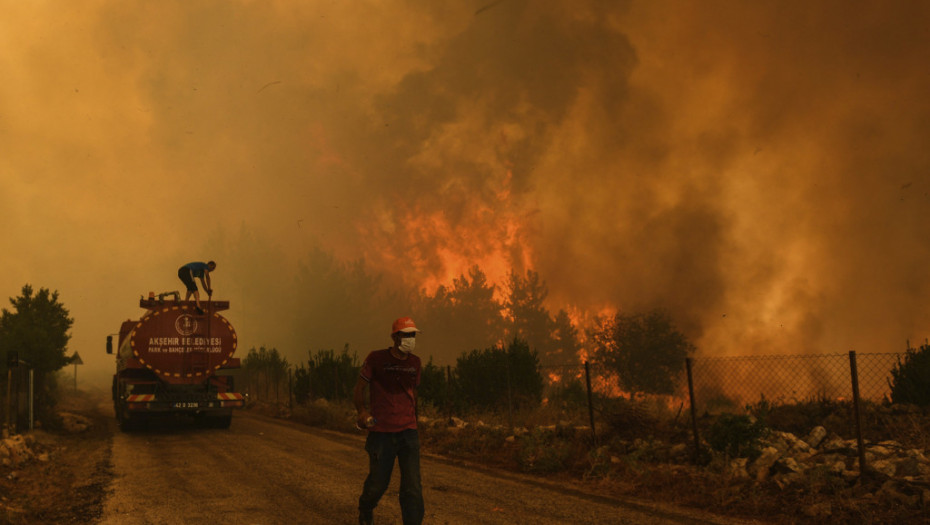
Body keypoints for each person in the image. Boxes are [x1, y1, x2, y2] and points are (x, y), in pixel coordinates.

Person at [354, 316, 424, 525]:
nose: (410, 339)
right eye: (406, 335)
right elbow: (359, 389)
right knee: (378, 484)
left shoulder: (415, 363)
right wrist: (362, 412)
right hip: (381, 433)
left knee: (412, 486)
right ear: (395, 337)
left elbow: (413, 393)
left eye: (413, 335)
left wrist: (415, 420)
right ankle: (366, 508)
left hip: (408, 432)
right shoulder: (376, 359)